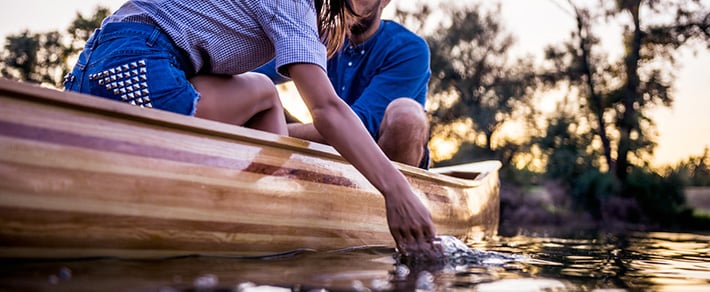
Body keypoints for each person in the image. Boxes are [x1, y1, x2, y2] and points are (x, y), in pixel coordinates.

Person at [63, 0, 439, 258]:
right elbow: (326, 109)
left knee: (263, 95)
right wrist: (395, 189)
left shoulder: (400, 46)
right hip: (143, 72)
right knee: (262, 93)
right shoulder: (294, 6)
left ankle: (261, 206)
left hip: (91, 71)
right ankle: (275, 216)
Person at [238, 0, 432, 169]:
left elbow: (361, 126)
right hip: (335, 150)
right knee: (256, 88)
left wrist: (266, 130)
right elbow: (248, 73)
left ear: (385, 1)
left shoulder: (409, 49)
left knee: (406, 115)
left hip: (380, 152)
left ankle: (400, 199)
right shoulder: (321, 37)